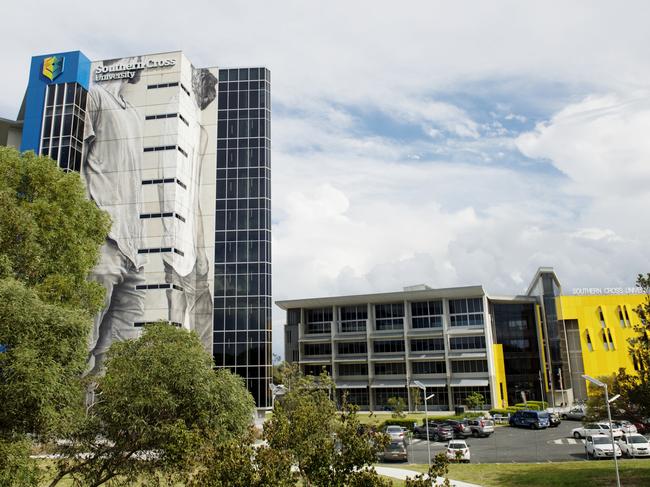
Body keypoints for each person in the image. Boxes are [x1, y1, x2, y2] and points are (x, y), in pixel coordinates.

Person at [82, 57, 145, 374]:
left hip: (131, 247)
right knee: (84, 333)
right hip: (103, 235)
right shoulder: (93, 96)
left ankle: (96, 418)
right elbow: (76, 157)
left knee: (119, 353)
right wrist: (87, 221)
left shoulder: (134, 116)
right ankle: (58, 412)